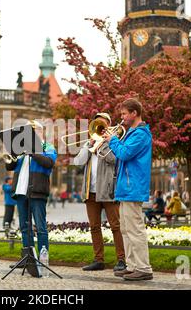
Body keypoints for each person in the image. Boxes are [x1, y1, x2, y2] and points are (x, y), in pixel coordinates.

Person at [106, 98, 154, 281]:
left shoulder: (140, 134)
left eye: (125, 114)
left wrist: (112, 140)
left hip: (133, 186)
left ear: (134, 113)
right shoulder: (131, 133)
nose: (122, 118)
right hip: (126, 187)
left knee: (135, 229)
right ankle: (132, 265)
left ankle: (144, 267)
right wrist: (115, 140)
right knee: (126, 229)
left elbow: (124, 153)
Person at [73, 113, 126, 272]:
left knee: (116, 226)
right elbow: (78, 162)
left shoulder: (114, 141)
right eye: (97, 123)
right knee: (94, 226)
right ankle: (98, 260)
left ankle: (122, 259)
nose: (100, 128)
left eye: (103, 124)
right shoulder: (89, 142)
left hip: (108, 189)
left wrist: (101, 146)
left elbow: (115, 160)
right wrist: (90, 147)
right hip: (91, 190)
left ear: (109, 126)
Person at [5, 120, 57, 257]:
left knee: (40, 227)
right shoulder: (21, 149)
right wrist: (13, 156)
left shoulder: (48, 147)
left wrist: (32, 151)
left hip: (37, 191)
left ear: (40, 132)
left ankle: (43, 257)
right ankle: (29, 258)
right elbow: (9, 167)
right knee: (24, 227)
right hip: (21, 192)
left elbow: (49, 163)